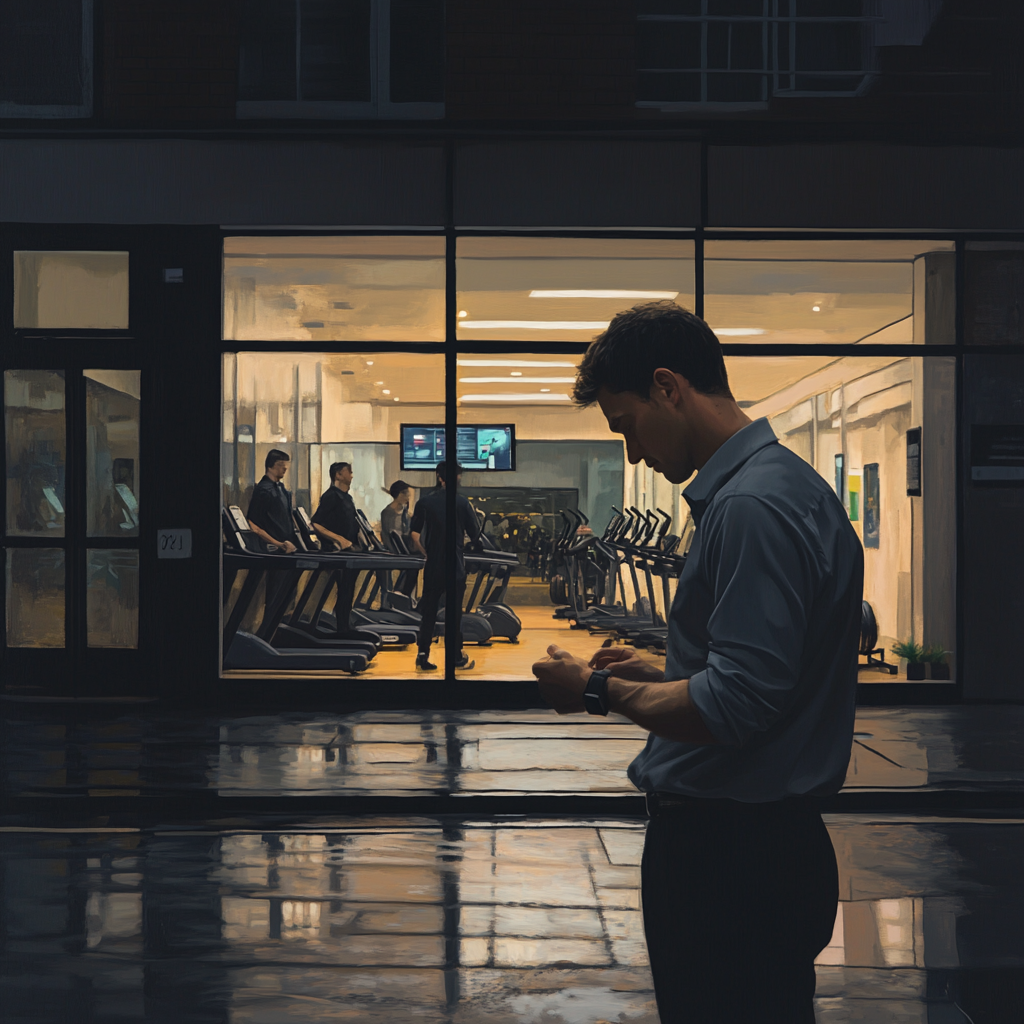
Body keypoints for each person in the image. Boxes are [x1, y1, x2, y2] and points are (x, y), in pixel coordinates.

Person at [531, 301, 863, 1024]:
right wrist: (661, 681)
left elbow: (737, 706)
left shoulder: (750, 508)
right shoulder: (782, 489)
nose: (634, 454)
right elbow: (768, 679)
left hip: (730, 858)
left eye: (627, 427)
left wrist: (593, 692)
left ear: (667, 387)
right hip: (760, 847)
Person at [409, 461, 481, 671]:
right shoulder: (462, 503)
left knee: (429, 612)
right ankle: (455, 656)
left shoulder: (425, 503)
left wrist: (428, 552)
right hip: (455, 566)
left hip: (434, 566)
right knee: (454, 614)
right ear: (455, 478)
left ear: (439, 477)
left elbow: (414, 535)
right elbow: (475, 535)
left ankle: (423, 655)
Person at [311, 462, 360, 637]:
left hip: (351, 553)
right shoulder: (331, 496)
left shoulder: (348, 498)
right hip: (337, 553)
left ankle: (345, 628)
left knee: (347, 593)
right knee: (344, 592)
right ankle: (342, 630)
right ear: (338, 475)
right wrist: (339, 540)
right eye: (349, 472)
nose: (352, 476)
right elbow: (316, 523)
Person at [246, 449, 296, 553]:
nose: (285, 467)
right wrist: (278, 544)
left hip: (286, 547)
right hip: (271, 550)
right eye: (280, 464)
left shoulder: (281, 488)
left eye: (286, 464)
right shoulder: (263, 490)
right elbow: (253, 524)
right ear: (270, 466)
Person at [381, 480, 419, 596]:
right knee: (411, 565)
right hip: (394, 550)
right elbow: (387, 535)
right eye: (406, 494)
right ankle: (398, 594)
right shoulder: (387, 513)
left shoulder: (405, 512)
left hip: (405, 548)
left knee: (416, 564)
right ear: (399, 494)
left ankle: (403, 594)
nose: (408, 497)